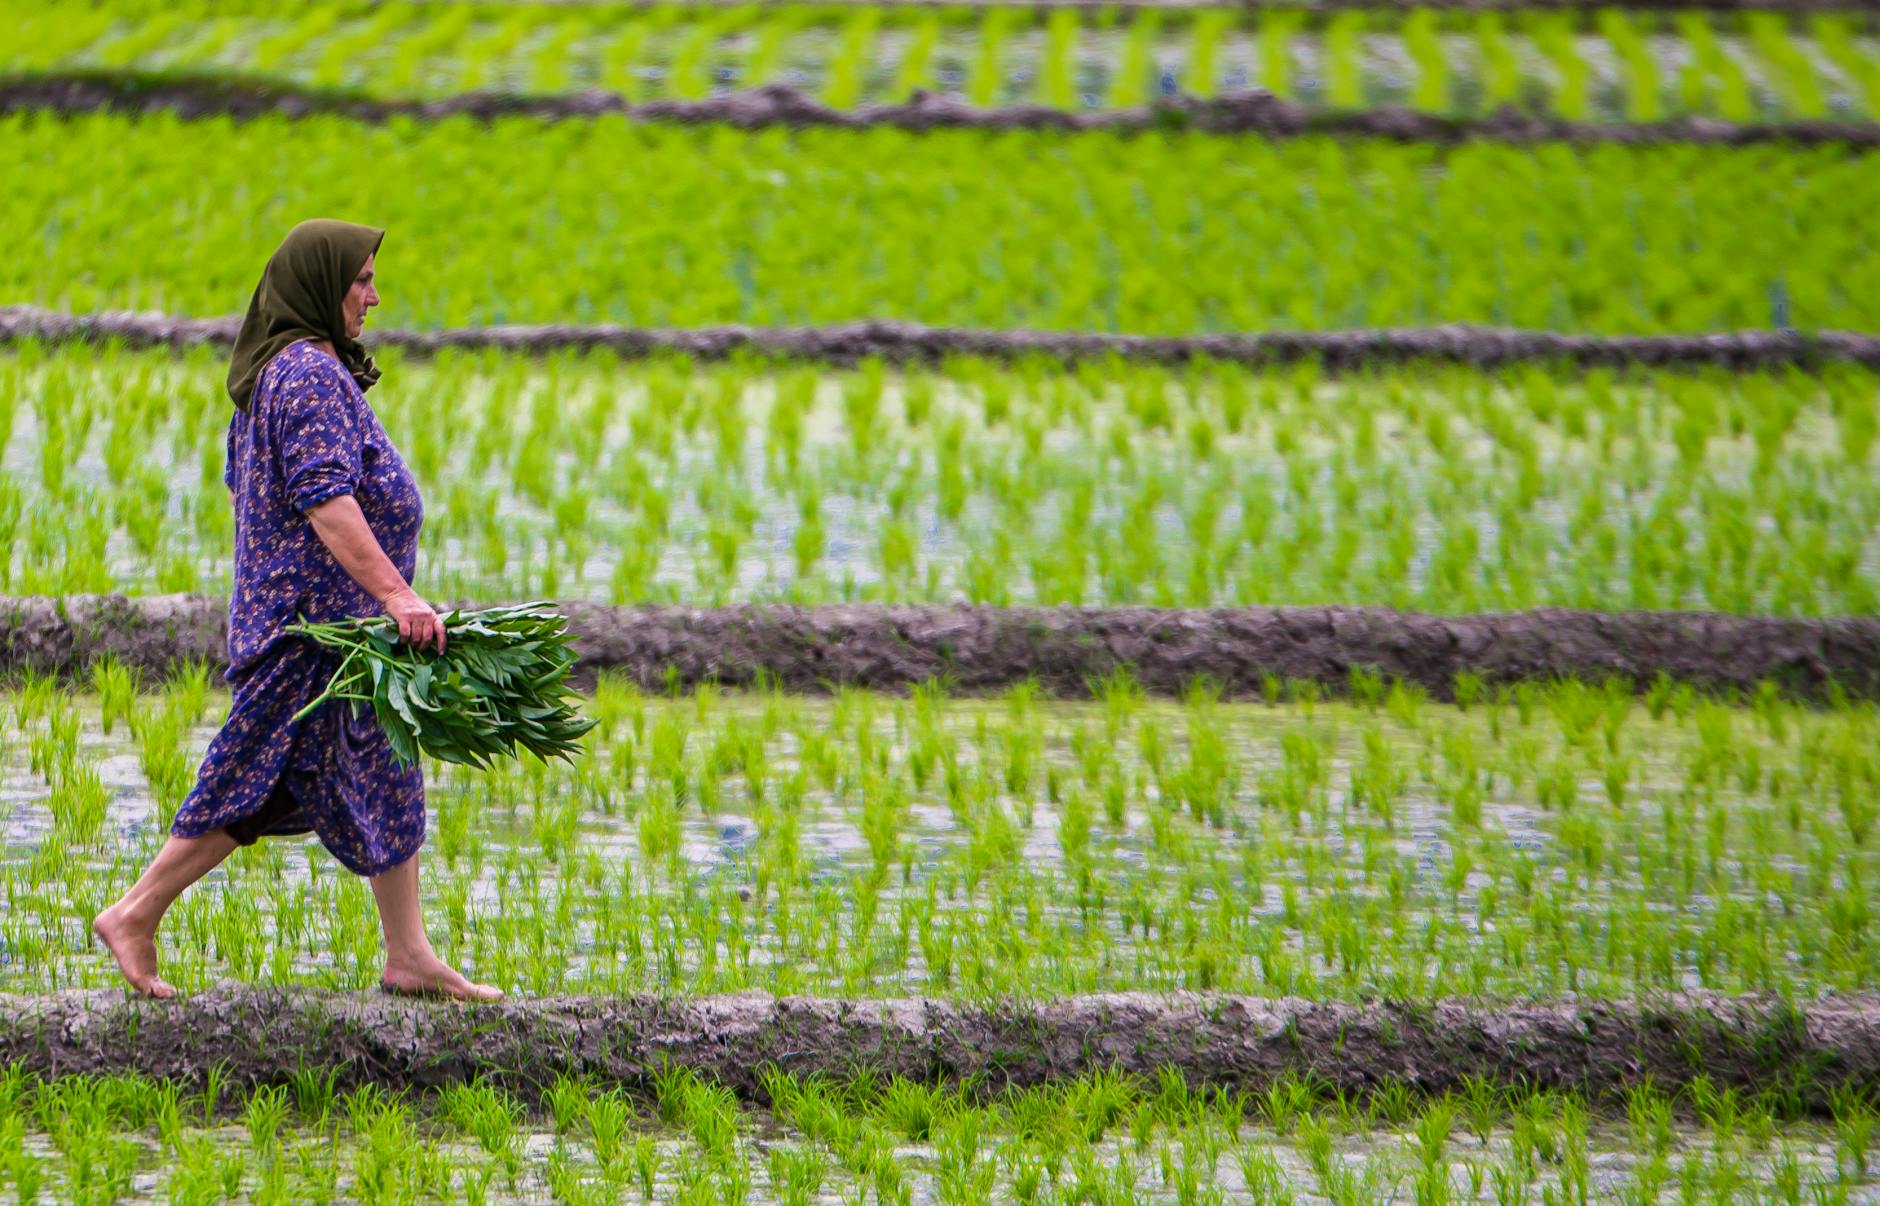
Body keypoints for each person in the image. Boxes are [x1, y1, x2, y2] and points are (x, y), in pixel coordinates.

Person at [92, 219, 501, 1002]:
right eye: (360, 281)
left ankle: (408, 954)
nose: (373, 297)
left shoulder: (280, 373)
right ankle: (134, 912)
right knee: (250, 779)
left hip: (335, 630)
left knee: (385, 768)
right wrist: (397, 594)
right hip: (309, 632)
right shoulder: (308, 375)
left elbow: (251, 492)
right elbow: (324, 499)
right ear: (319, 285)